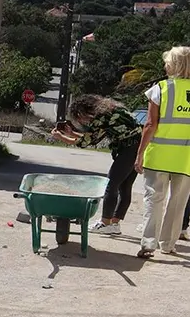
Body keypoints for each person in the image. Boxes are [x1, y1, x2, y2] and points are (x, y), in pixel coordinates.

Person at [50, 94, 142, 235]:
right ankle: (114, 224)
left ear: (83, 112)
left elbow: (85, 143)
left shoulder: (100, 118)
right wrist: (72, 132)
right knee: (125, 186)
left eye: (79, 118)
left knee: (111, 184)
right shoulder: (111, 111)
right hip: (138, 147)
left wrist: (61, 137)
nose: (82, 122)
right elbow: (93, 139)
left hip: (128, 149)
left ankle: (105, 223)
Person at [135, 46, 190, 258]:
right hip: (185, 158)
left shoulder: (161, 88)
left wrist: (140, 154)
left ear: (174, 64)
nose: (165, 65)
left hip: (158, 155)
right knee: (178, 202)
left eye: (167, 62)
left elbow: (150, 124)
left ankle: (149, 244)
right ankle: (168, 244)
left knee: (154, 199)